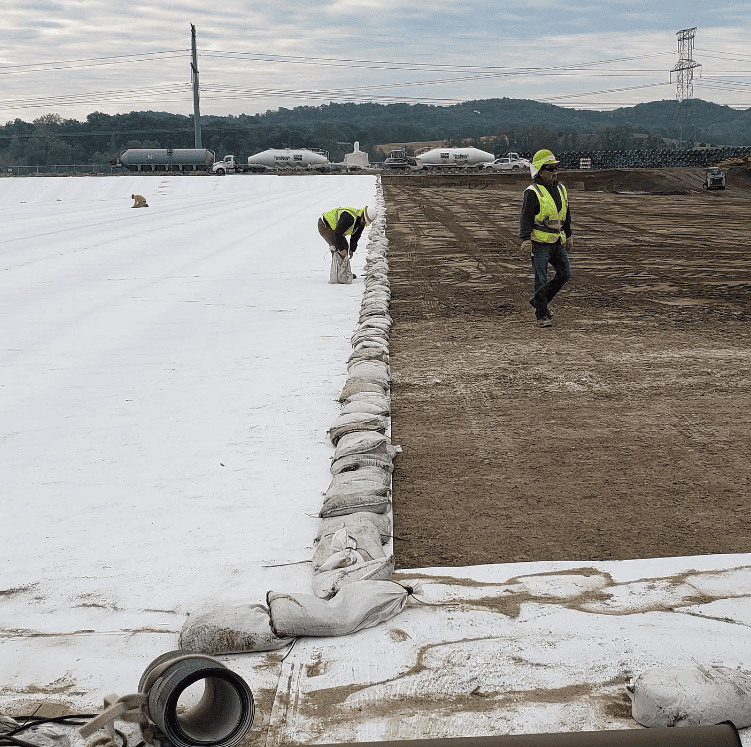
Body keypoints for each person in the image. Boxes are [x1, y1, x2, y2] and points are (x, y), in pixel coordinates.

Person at [519, 149, 573, 328]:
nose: (554, 172)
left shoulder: (561, 189)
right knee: (540, 279)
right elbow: (526, 217)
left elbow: (566, 214)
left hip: (557, 241)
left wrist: (569, 235)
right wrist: (526, 240)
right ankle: (541, 314)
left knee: (565, 274)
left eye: (556, 168)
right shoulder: (533, 192)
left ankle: (538, 301)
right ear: (540, 171)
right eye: (550, 169)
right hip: (539, 243)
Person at [318, 205, 377, 284]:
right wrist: (342, 249)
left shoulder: (361, 222)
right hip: (325, 225)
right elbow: (337, 234)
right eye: (364, 221)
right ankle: (338, 275)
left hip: (336, 229)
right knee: (337, 248)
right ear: (362, 215)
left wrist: (351, 249)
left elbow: (355, 236)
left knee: (345, 247)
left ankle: (343, 272)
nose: (363, 224)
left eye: (365, 223)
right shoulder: (349, 218)